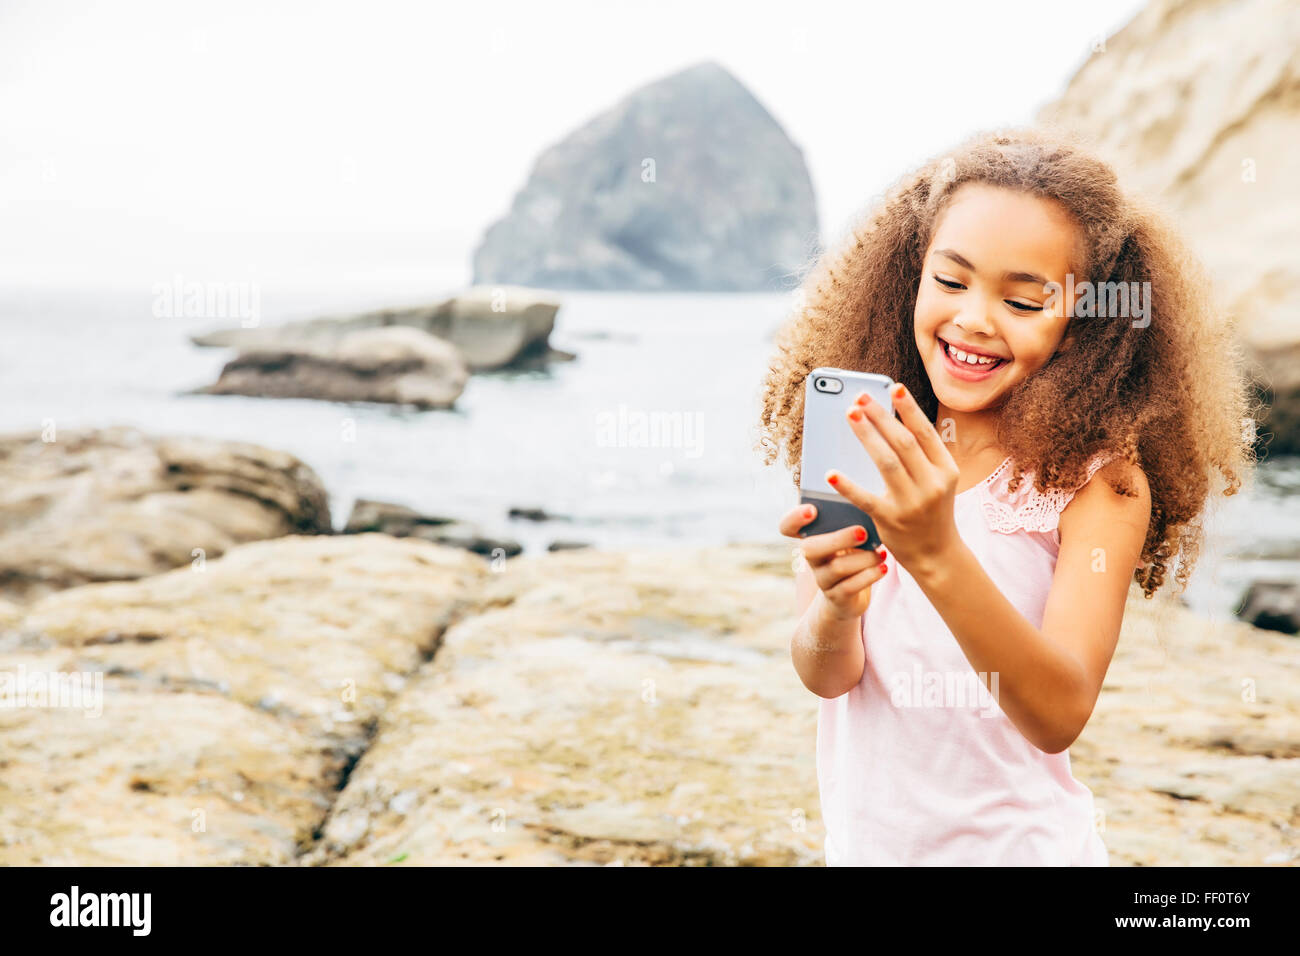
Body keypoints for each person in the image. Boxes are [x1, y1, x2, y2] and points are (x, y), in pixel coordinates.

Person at [757, 126, 1258, 865]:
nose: (973, 320)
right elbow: (827, 675)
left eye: (1024, 302)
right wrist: (835, 605)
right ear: (910, 276)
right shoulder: (873, 442)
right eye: (951, 281)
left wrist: (935, 554)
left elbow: (1057, 713)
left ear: (1083, 324)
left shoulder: (1098, 486)